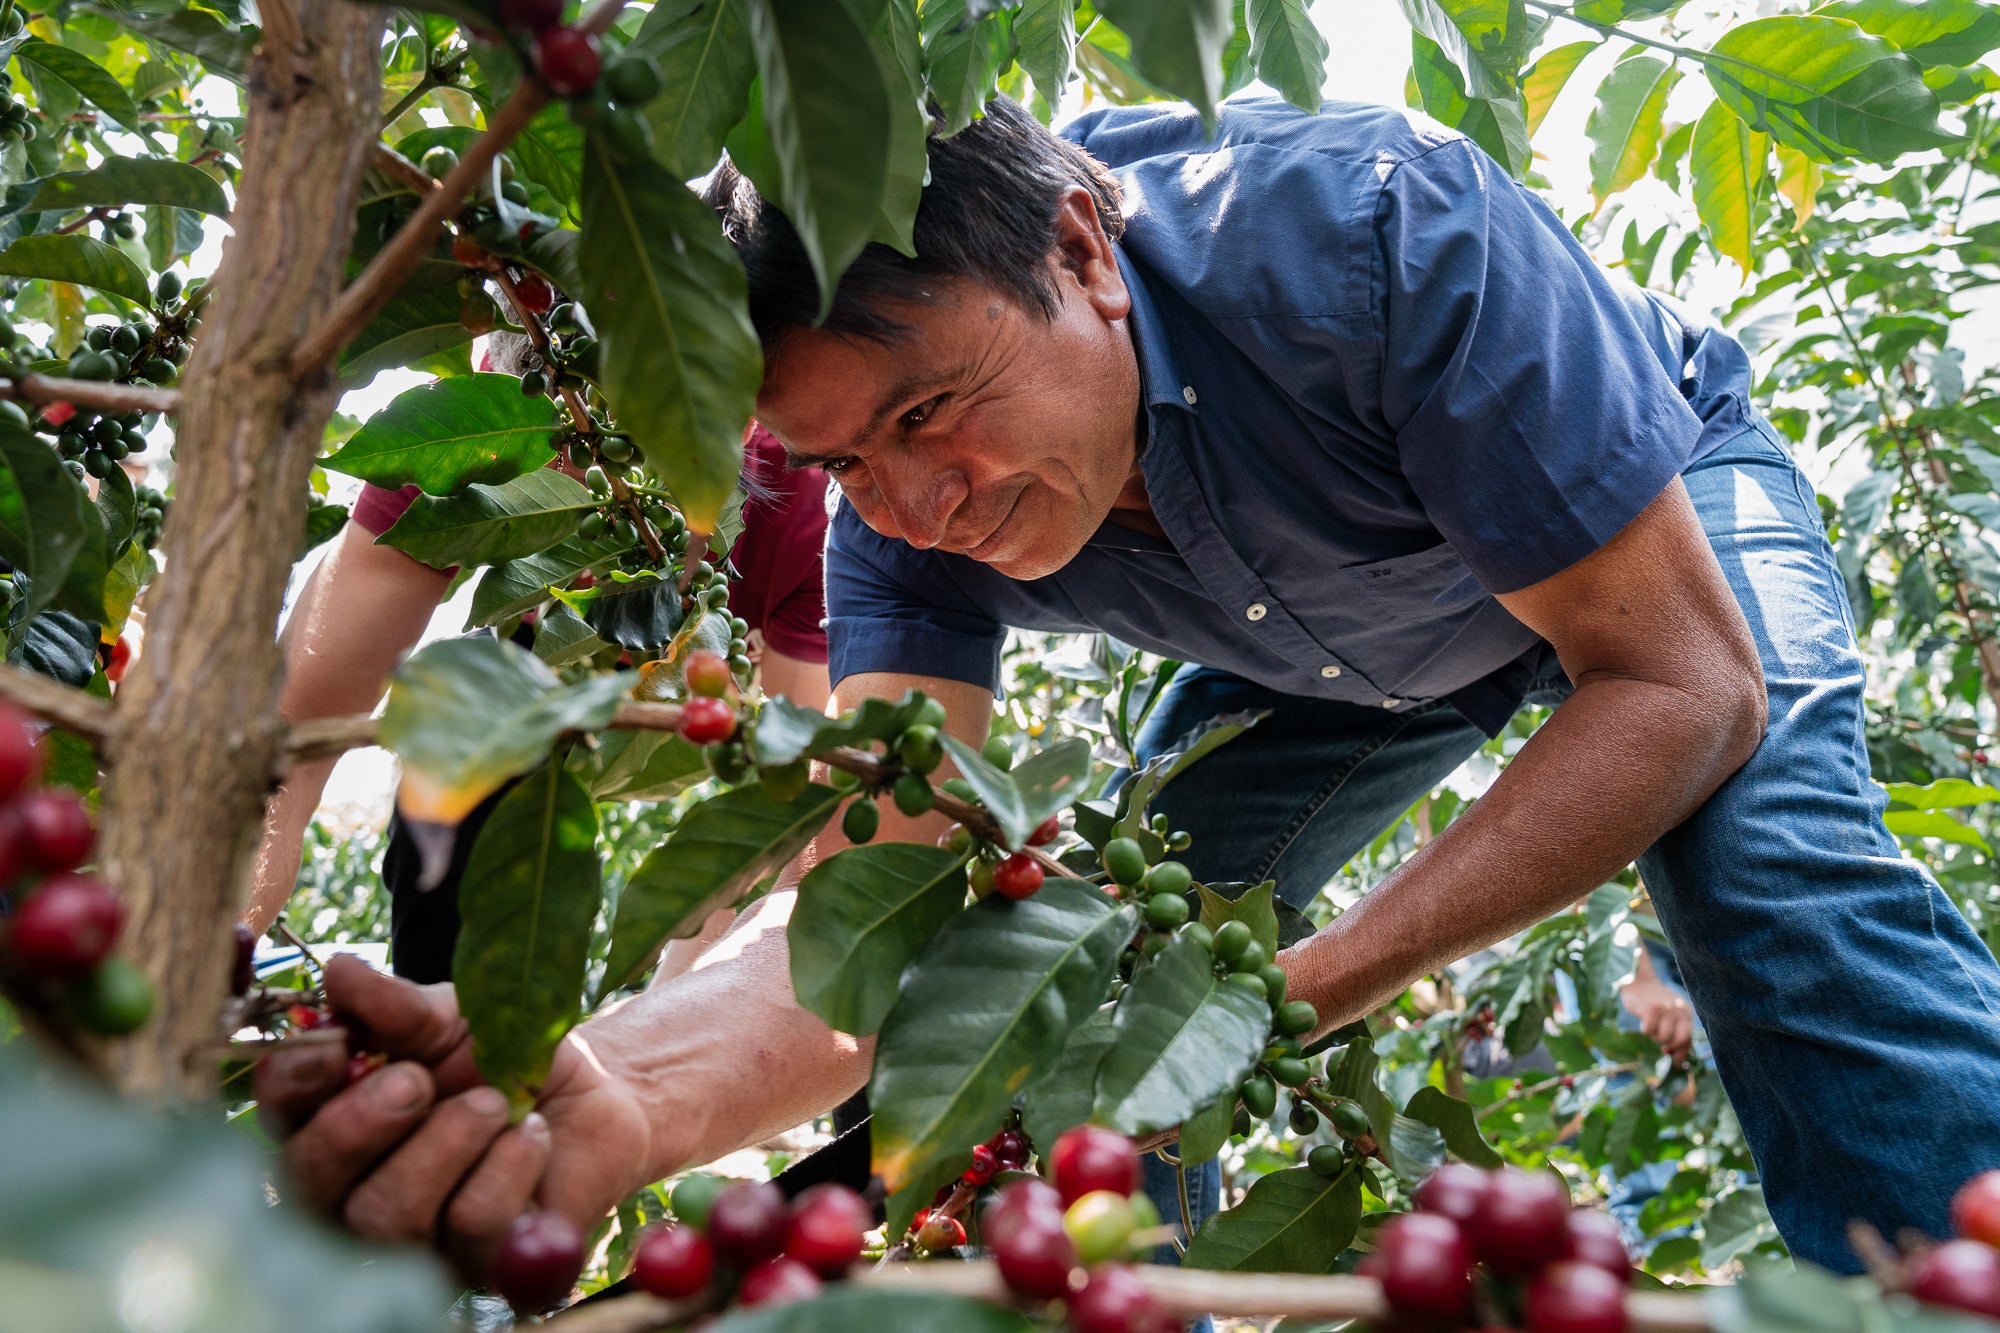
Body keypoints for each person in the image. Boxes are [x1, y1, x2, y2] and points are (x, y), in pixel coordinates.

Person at [255, 95, 2000, 1281]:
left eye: (934, 415)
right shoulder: (903, 531)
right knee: (1090, 970)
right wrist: (625, 1097)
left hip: (1652, 511)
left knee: (1763, 870)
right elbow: (890, 914)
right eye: (843, 465)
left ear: (1087, 252)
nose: (914, 505)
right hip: (1337, 651)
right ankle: (1142, 1293)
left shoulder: (1376, 244)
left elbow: (1679, 684)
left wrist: (1294, 987)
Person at [248, 410, 834, 982]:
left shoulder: (808, 490)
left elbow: (791, 814)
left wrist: (666, 1012)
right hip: (526, 667)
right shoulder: (477, 432)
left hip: (699, 702)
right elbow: (290, 745)